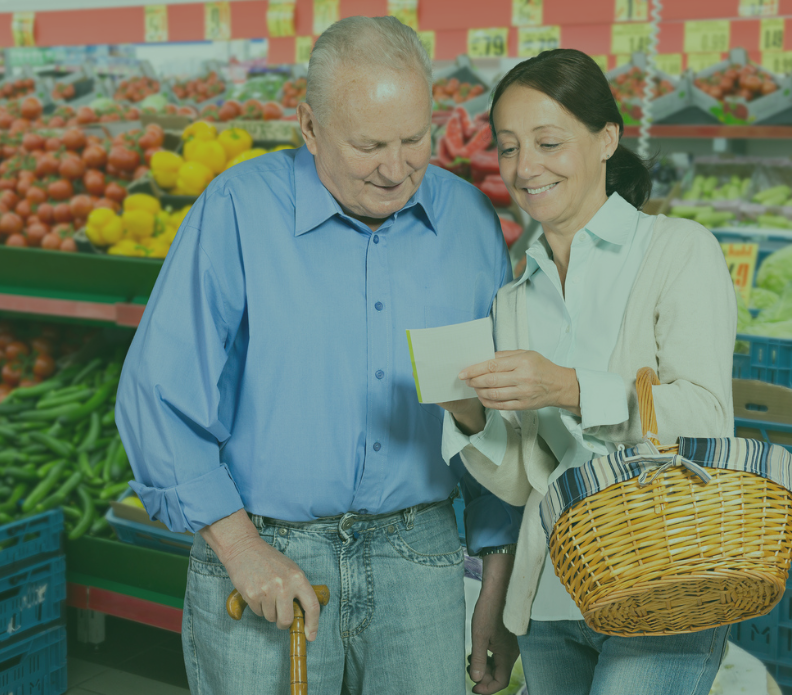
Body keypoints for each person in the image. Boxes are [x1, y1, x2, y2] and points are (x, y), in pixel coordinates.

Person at [116, 16, 522, 695]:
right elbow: (157, 394)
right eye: (369, 145)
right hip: (268, 551)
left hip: (418, 554)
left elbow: (497, 416)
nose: (397, 169)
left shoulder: (471, 222)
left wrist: (498, 585)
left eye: (415, 139)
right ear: (309, 126)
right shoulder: (238, 210)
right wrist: (241, 547)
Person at [440, 49, 736, 695]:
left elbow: (707, 418)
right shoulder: (513, 298)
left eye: (549, 142)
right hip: (552, 595)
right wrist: (467, 416)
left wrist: (568, 386)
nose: (525, 168)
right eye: (510, 147)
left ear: (607, 139)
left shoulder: (679, 251)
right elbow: (523, 479)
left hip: (663, 578)